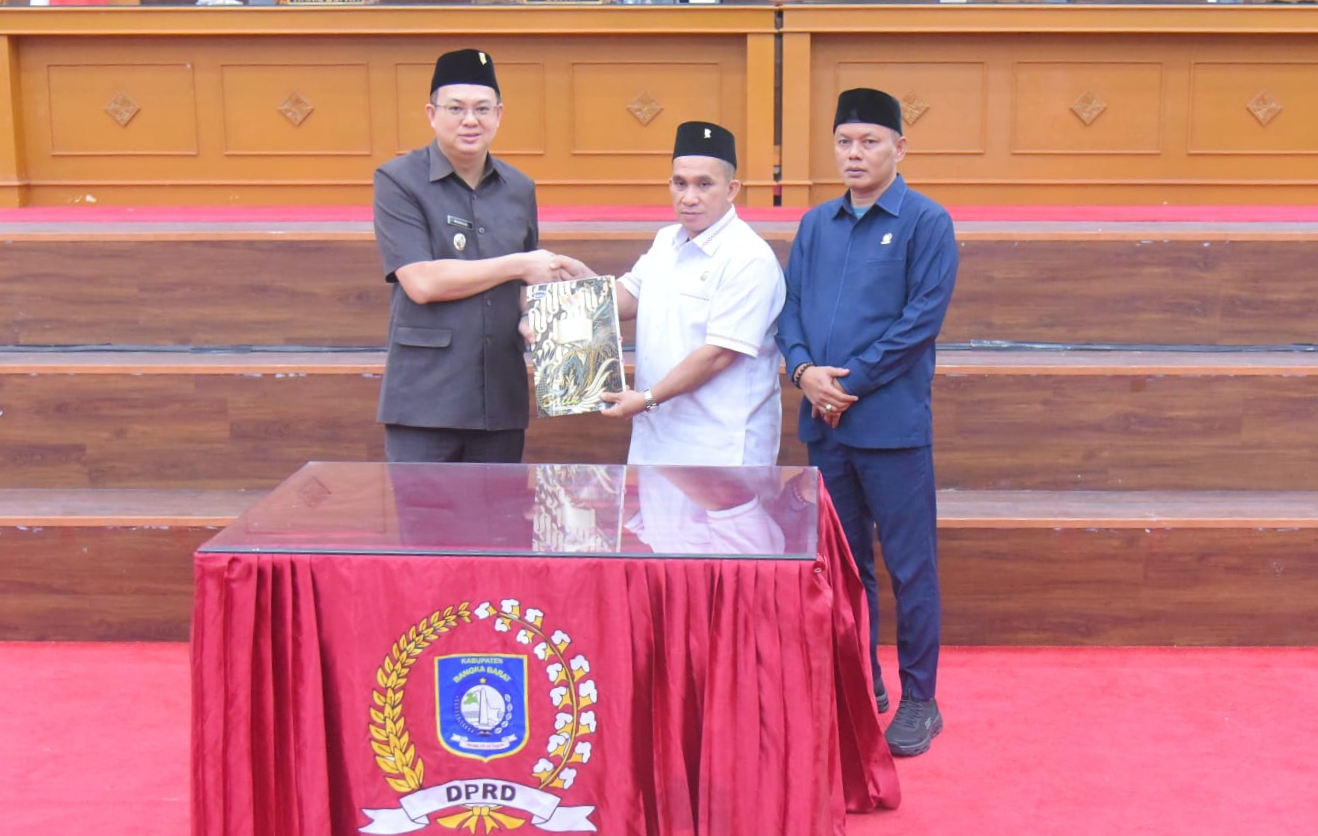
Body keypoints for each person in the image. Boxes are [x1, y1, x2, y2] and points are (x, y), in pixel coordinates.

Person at [776, 88, 958, 757]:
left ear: (899, 148)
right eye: (845, 142)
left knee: (912, 569)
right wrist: (803, 372)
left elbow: (920, 322)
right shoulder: (817, 224)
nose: (855, 154)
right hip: (826, 426)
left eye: (870, 142)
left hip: (891, 428)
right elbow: (789, 307)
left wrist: (847, 381)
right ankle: (861, 682)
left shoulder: (925, 222)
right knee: (846, 569)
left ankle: (919, 699)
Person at [372, 48, 568, 463]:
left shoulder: (519, 188)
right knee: (426, 528)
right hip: (426, 403)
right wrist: (519, 264)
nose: (470, 120)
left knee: (498, 527)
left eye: (482, 108)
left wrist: (537, 310)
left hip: (500, 399)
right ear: (431, 113)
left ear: (499, 114)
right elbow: (421, 283)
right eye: (455, 108)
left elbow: (524, 287)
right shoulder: (398, 181)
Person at [558, 121, 786, 466]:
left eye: (704, 184)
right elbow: (629, 298)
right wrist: (584, 288)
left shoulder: (748, 257)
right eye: (680, 183)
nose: (689, 197)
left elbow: (718, 355)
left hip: (720, 443)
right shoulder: (667, 240)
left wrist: (647, 398)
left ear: (732, 188)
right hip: (658, 433)